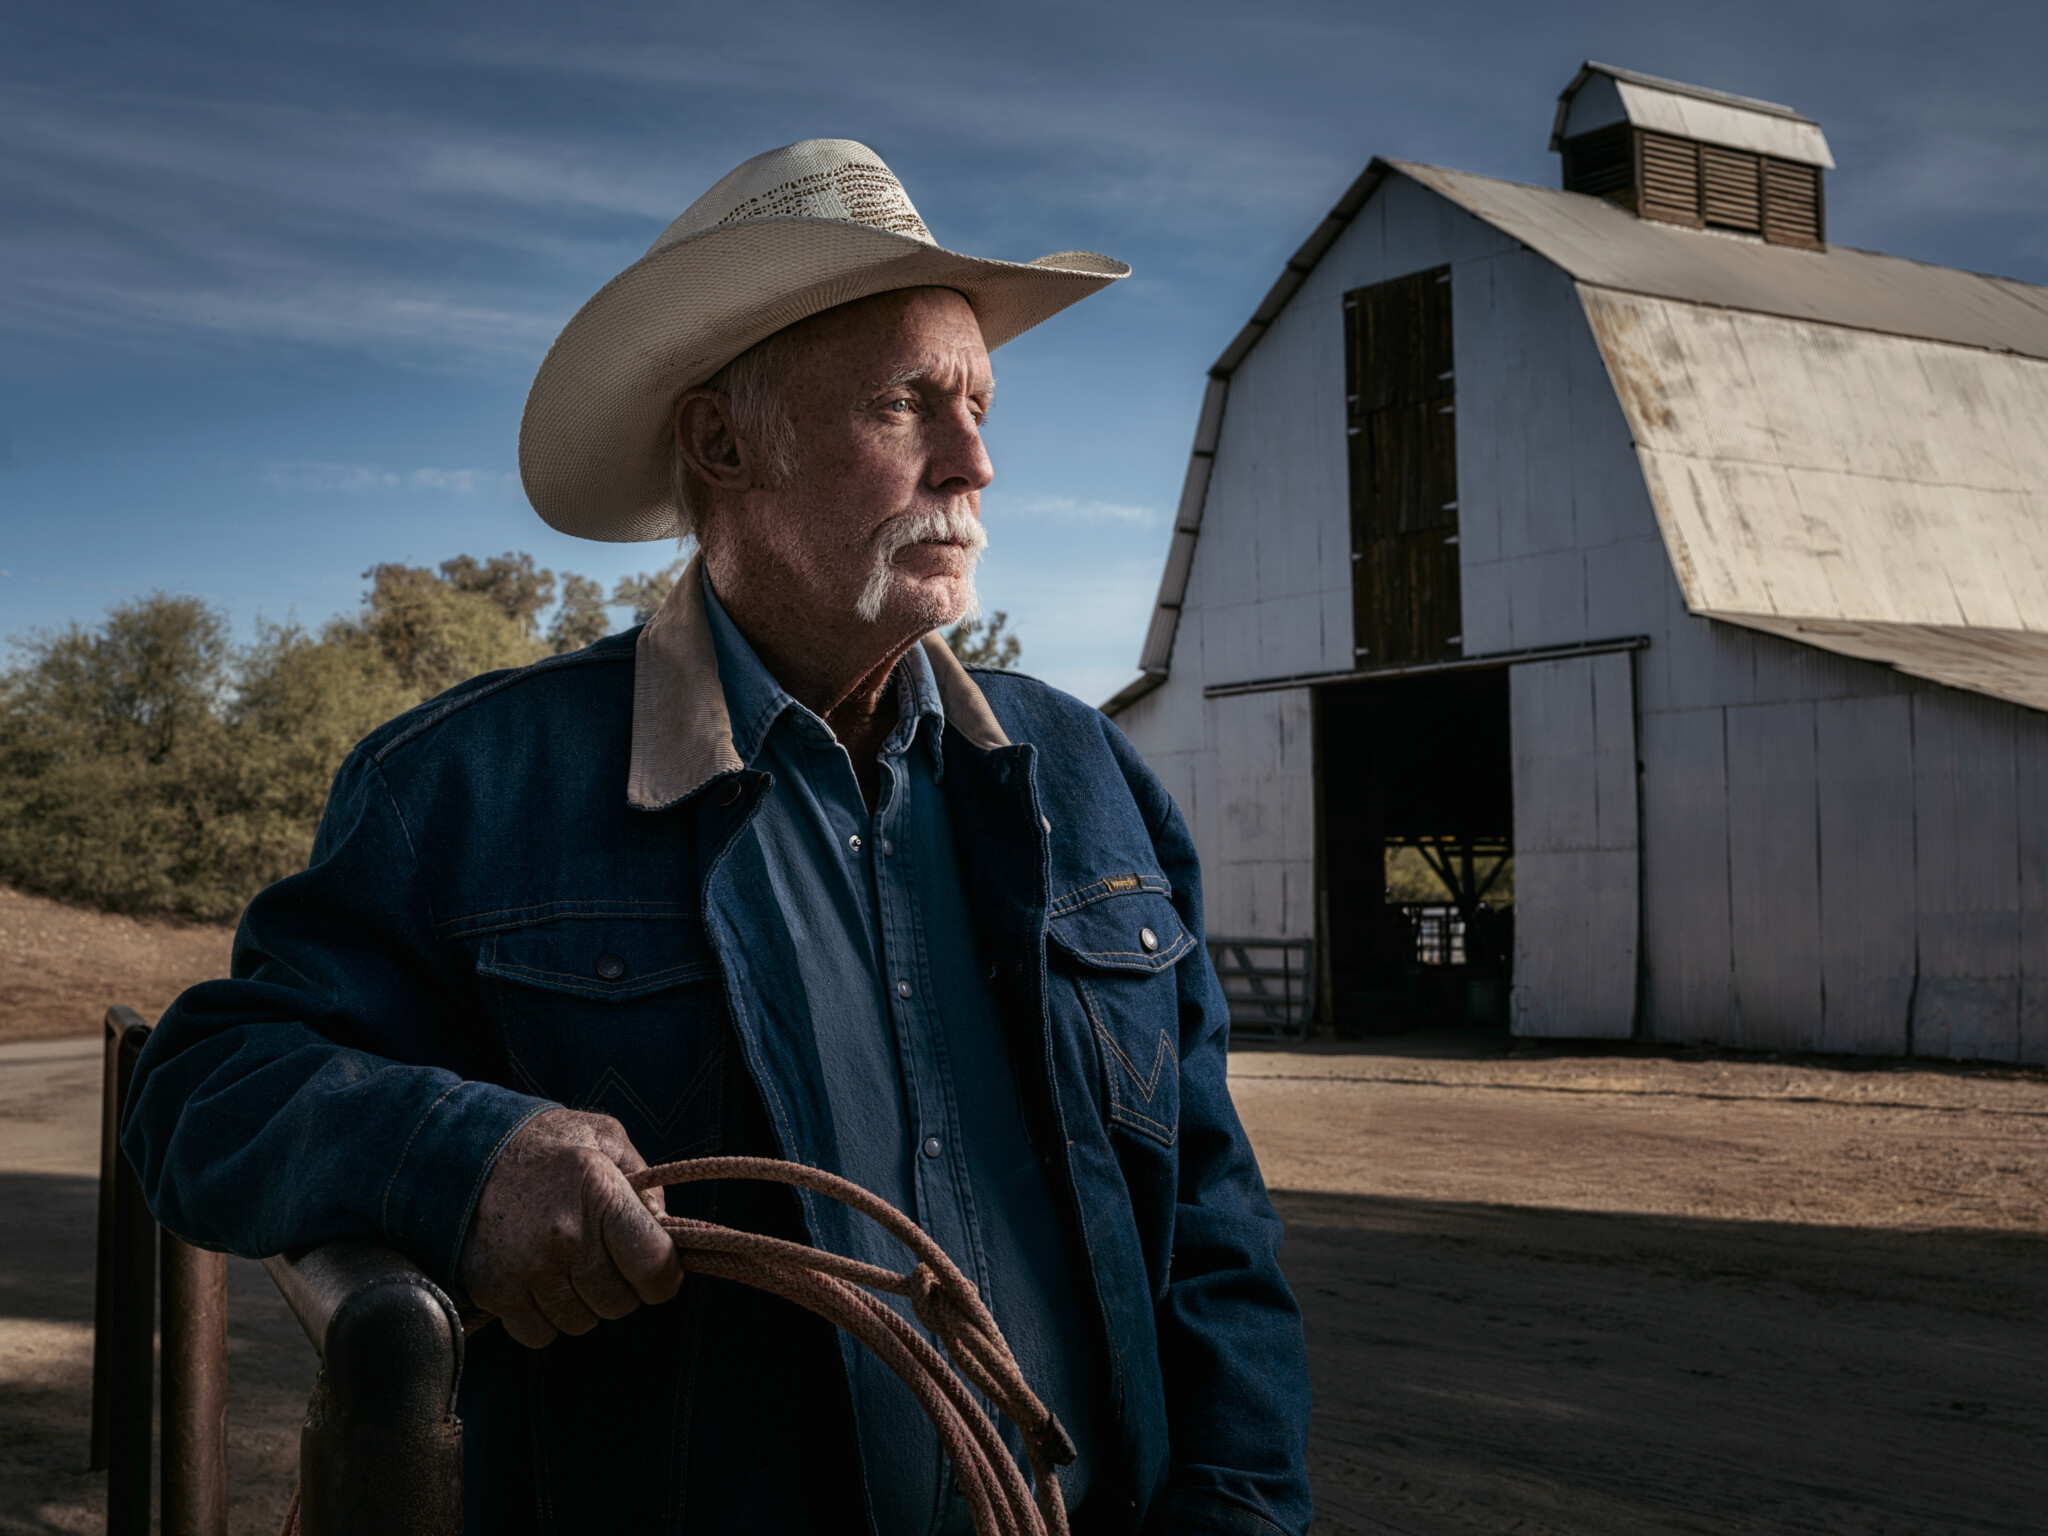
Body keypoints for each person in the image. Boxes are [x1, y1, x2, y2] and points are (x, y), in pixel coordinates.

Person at [124, 139, 1312, 1536]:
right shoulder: (468, 785)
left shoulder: (1092, 778)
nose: (975, 459)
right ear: (722, 443)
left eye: (979, 403)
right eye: (902, 405)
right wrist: (466, 1160)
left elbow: (1214, 1241)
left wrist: (1235, 1518)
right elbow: (205, 1087)